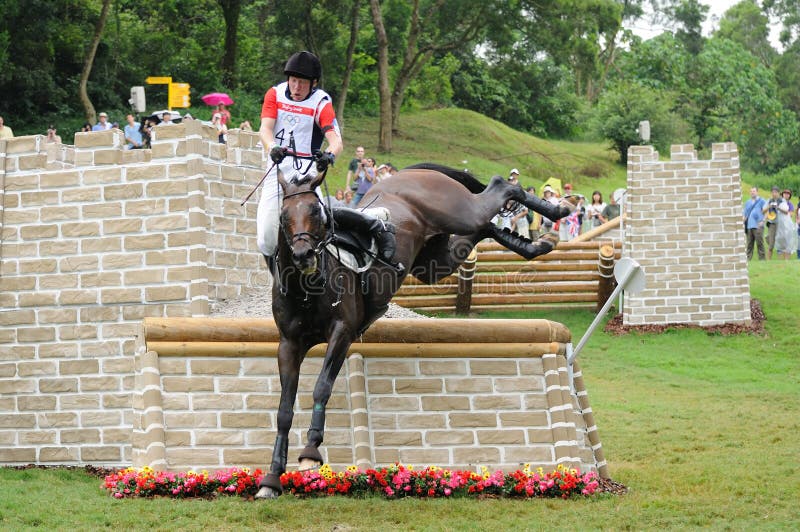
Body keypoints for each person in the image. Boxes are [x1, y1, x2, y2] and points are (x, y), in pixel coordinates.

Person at [257, 51, 400, 270]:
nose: (296, 87)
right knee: (266, 239)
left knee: (321, 217)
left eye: (302, 83)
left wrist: (329, 155)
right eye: (293, 81)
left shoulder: (320, 102)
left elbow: (336, 141)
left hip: (307, 172)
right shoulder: (274, 94)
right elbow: (265, 129)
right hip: (279, 173)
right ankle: (279, 278)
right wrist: (271, 147)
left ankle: (375, 223)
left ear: (313, 83)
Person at [743, 186, 766, 261]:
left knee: (760, 243)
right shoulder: (747, 202)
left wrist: (763, 220)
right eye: (751, 191)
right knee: (749, 244)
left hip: (758, 225)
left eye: (754, 191)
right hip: (749, 226)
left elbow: (767, 211)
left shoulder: (762, 201)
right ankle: (748, 259)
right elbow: (745, 215)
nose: (752, 193)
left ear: (757, 192)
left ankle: (762, 259)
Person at [774, 189, 797, 260]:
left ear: (790, 195)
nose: (786, 195)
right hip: (779, 226)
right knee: (780, 243)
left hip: (787, 227)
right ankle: (780, 261)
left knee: (788, 243)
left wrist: (780, 209)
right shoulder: (778, 202)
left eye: (788, 194)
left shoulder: (790, 204)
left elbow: (790, 214)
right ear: (782, 194)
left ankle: (787, 261)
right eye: (785, 193)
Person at [763, 186, 781, 259]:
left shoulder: (781, 201)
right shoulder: (769, 200)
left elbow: (786, 210)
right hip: (772, 223)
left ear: (778, 193)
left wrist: (778, 207)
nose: (774, 194)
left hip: (780, 223)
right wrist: (769, 206)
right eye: (773, 192)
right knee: (771, 245)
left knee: (780, 243)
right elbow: (763, 211)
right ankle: (768, 261)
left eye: (776, 192)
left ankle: (781, 261)